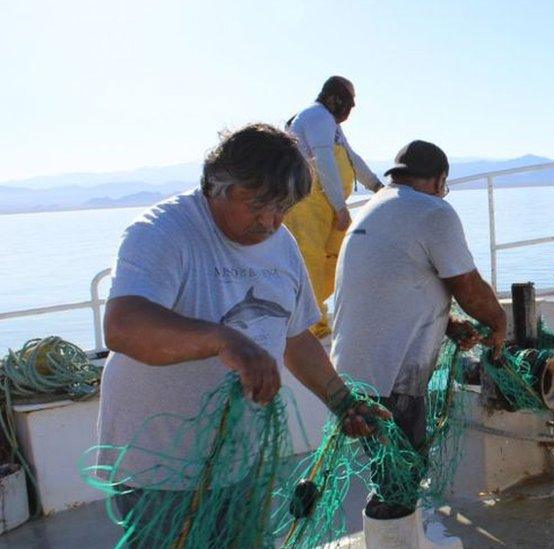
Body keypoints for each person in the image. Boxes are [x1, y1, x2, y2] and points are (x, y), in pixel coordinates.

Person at [97, 123, 386, 542]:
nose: (270, 221)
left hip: (242, 462)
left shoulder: (281, 243)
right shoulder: (162, 232)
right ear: (218, 186)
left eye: (283, 208)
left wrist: (342, 401)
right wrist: (225, 340)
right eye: (258, 205)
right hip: (161, 470)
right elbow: (123, 326)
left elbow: (294, 335)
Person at [331, 140, 507, 548]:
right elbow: (466, 285)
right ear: (439, 179)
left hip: (350, 374)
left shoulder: (376, 208)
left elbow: (398, 287)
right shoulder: (432, 211)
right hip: (392, 375)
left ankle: (393, 540)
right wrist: (497, 321)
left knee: (389, 470)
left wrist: (448, 325)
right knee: (403, 470)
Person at [284, 76, 384, 338]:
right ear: (333, 99)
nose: (350, 110)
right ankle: (309, 328)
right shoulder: (317, 117)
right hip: (307, 205)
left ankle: (315, 318)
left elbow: (352, 158)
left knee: (333, 260)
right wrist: (340, 207)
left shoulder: (330, 124)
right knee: (312, 263)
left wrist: (377, 186)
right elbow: (324, 161)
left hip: (323, 205)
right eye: (349, 102)